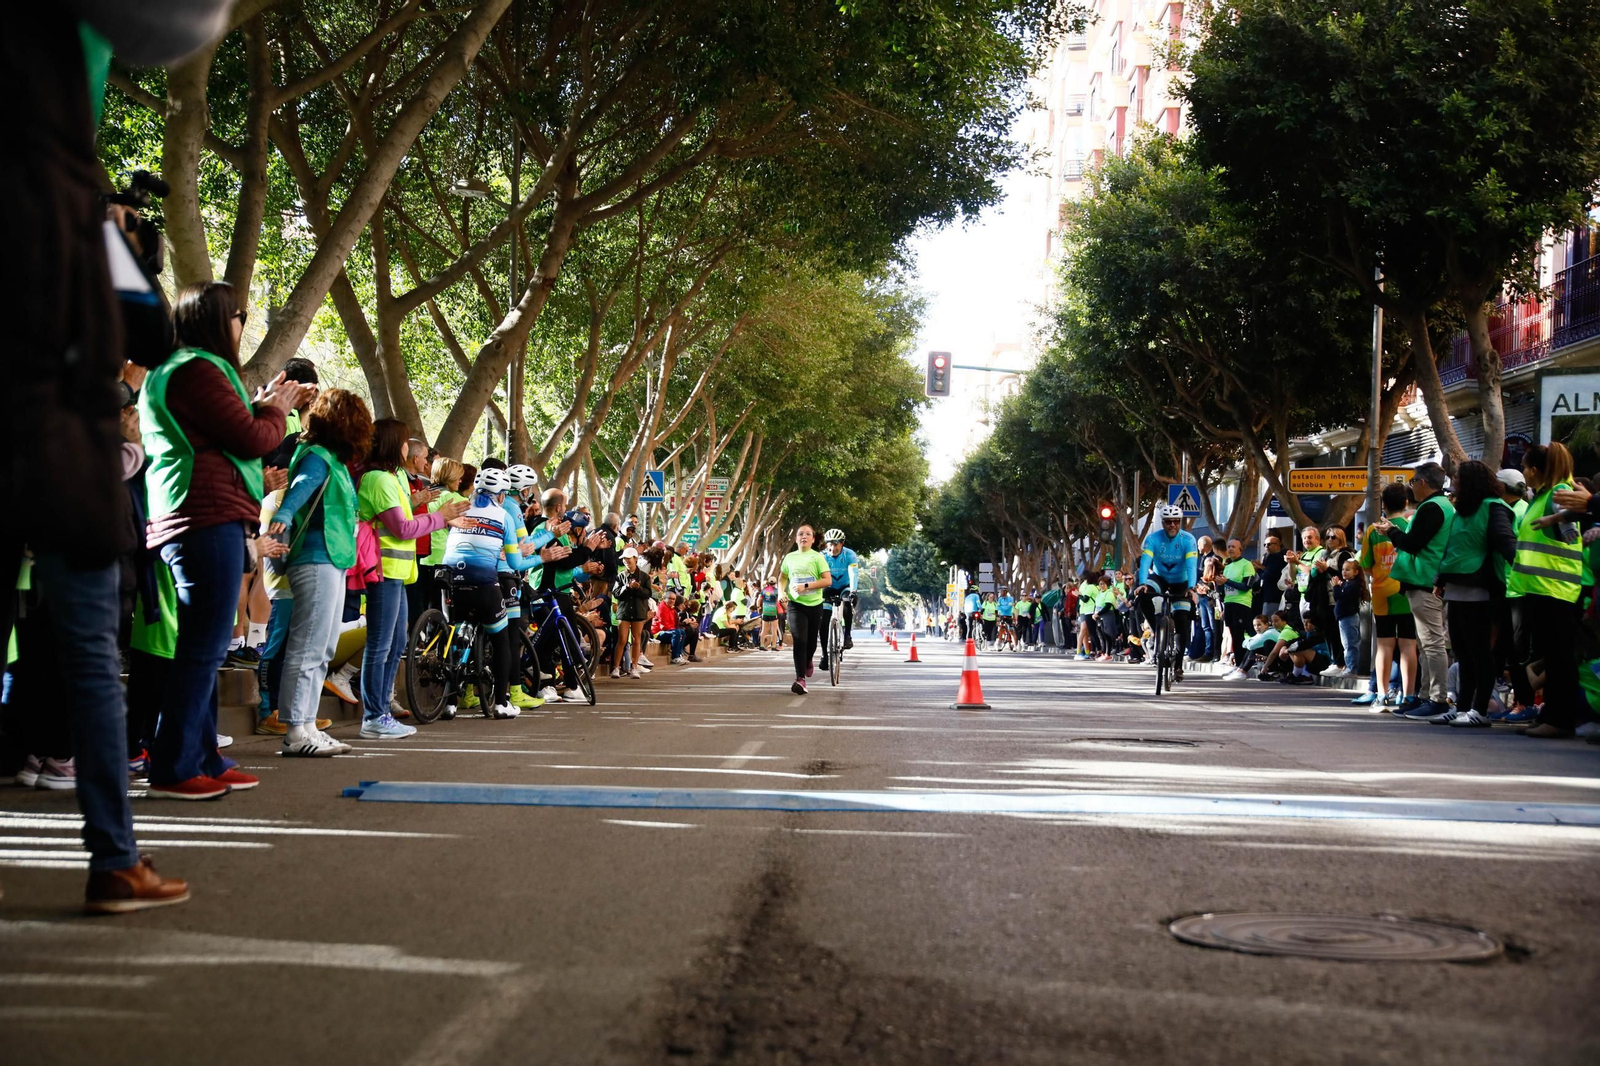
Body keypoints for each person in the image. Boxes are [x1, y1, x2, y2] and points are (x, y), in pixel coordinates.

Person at [140, 281, 309, 798]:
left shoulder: (184, 369)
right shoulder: (197, 368)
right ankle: (172, 767)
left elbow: (233, 434)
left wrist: (260, 407)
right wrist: (275, 408)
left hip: (202, 514)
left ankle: (206, 757)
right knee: (201, 646)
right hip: (202, 516)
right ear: (219, 320)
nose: (243, 323)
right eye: (239, 314)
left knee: (207, 646)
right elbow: (253, 438)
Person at [263, 389, 372, 755]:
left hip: (333, 558)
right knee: (308, 645)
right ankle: (296, 732)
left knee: (321, 647)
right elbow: (299, 490)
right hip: (315, 556)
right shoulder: (317, 457)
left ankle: (306, 725)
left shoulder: (333, 460)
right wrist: (281, 516)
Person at [356, 419, 468, 738]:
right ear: (394, 445)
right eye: (406, 442)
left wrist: (429, 511)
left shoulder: (392, 479)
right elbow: (402, 528)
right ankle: (374, 716)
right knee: (381, 644)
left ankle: (381, 709)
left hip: (399, 573)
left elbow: (405, 521)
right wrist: (441, 517)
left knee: (397, 644)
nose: (410, 449)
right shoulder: (379, 480)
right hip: (384, 572)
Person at [438, 468, 537, 718]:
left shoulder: (461, 507)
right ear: (502, 495)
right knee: (502, 638)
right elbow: (514, 563)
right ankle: (501, 703)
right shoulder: (504, 516)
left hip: (450, 579)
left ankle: (449, 701)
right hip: (483, 582)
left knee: (455, 635)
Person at [1426, 460, 1516, 727]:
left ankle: (1480, 710)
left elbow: (1504, 540)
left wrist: (1521, 570)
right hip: (1456, 587)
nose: (1453, 483)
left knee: (1479, 652)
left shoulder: (1494, 507)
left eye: (1457, 479)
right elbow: (1453, 547)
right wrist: (1440, 578)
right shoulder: (1461, 511)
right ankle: (1463, 707)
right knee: (1463, 653)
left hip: (1481, 587)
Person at [1507, 443, 1584, 738]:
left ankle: (1561, 720)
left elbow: (1571, 535)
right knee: (1553, 657)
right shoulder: (1545, 495)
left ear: (1536, 470)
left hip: (1557, 589)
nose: (1524, 474)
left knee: (1560, 658)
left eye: (1526, 468)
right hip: (1543, 590)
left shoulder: (1559, 495)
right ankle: (1551, 715)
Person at [1380, 463, 1455, 717]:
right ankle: (1425, 697)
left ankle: (1437, 699)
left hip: (1426, 582)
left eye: (1413, 482)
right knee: (1426, 644)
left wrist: (1391, 531)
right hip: (1424, 581)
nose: (1411, 487)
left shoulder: (1433, 507)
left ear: (1422, 483)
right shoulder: (1438, 506)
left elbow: (1413, 544)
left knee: (1432, 643)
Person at [1353, 483, 1419, 710]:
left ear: (1384, 504)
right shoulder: (1411, 526)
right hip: (1407, 591)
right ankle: (1408, 696)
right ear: (1407, 503)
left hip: (1381, 592)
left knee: (1384, 645)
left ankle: (1381, 696)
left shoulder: (1373, 530)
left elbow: (1366, 565)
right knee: (1409, 644)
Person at [1134, 504, 1199, 682]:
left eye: (1176, 522)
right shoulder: (1153, 539)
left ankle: (1178, 665)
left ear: (1180, 522)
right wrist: (1142, 583)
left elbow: (1191, 566)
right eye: (1168, 522)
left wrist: (1191, 588)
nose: (1172, 525)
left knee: (1182, 619)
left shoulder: (1188, 539)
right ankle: (1157, 630)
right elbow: (1146, 562)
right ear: (1162, 523)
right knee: (1143, 596)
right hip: (1160, 578)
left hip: (1181, 581)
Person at [779, 524, 831, 694]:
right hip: (795, 605)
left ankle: (808, 659)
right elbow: (783, 577)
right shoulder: (789, 558)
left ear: (813, 539)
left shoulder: (817, 558)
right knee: (799, 641)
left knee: (810, 643)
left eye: (808, 534)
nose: (804, 536)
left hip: (815, 605)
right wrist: (781, 592)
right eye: (800, 534)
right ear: (796, 538)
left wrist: (807, 586)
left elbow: (827, 580)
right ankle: (800, 679)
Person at [1219, 539, 1259, 681]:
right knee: (1234, 637)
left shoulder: (1246, 565)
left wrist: (1227, 582)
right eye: (1228, 546)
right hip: (1229, 603)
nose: (1230, 549)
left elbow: (1246, 586)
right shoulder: (1228, 566)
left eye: (1233, 547)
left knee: (1241, 634)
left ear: (1240, 549)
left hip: (1241, 604)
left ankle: (1244, 668)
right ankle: (1238, 666)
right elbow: (1223, 588)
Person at [613, 547, 653, 678]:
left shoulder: (644, 576)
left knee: (637, 638)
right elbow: (616, 593)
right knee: (622, 639)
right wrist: (626, 587)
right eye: (624, 559)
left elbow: (647, 593)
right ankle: (616, 667)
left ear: (635, 559)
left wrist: (638, 588)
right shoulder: (620, 576)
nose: (626, 561)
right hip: (624, 611)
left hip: (638, 610)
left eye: (628, 559)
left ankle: (634, 667)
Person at [1257, 533, 1287, 622]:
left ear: (1278, 545)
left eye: (1269, 544)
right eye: (1265, 544)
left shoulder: (1277, 558)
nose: (1266, 546)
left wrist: (1258, 569)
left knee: (1269, 622)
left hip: (1274, 597)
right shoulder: (1267, 557)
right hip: (1266, 596)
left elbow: (1268, 576)